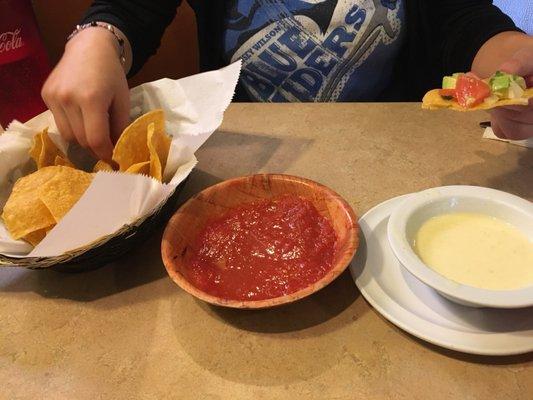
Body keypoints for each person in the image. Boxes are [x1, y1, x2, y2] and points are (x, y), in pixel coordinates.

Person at [42, 1, 533, 162]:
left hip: (395, 152)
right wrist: (96, 38)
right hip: (253, 153)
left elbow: (463, 19)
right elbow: (132, 8)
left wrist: (514, 63)